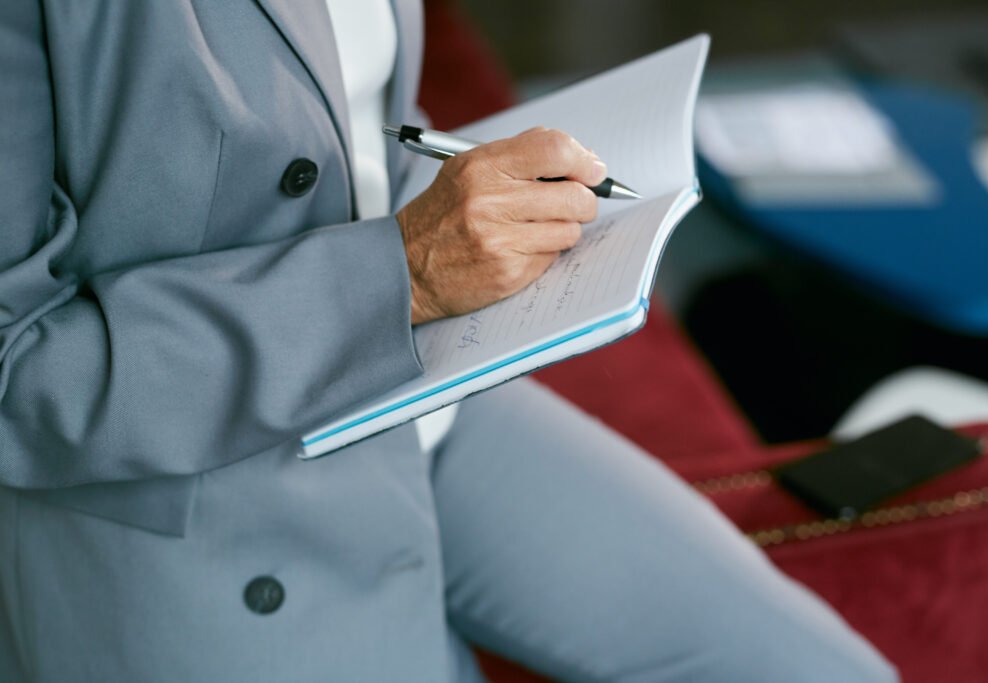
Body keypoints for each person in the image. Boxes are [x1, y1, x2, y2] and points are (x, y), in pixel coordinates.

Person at [0, 1, 899, 681]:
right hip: (187, 486)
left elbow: (348, 116)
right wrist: (411, 271)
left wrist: (464, 194)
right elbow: (17, 380)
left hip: (417, 391)